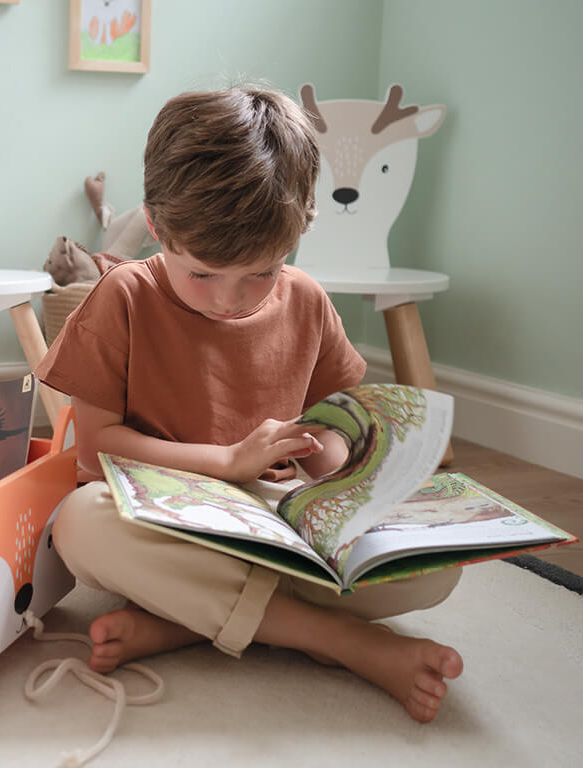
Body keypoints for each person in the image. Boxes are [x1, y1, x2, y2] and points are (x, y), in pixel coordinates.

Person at [34, 85, 463, 724]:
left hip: (273, 517)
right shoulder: (123, 296)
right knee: (76, 523)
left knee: (436, 568)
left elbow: (336, 422)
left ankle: (184, 621)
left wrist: (333, 466)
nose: (226, 299)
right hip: (163, 512)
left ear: (298, 230)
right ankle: (335, 639)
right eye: (202, 273)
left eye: (260, 273)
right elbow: (98, 451)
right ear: (157, 226)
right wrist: (227, 460)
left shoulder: (309, 302)